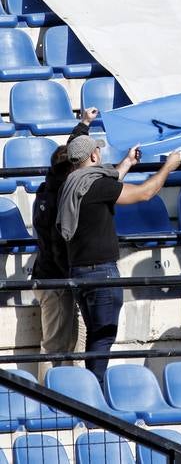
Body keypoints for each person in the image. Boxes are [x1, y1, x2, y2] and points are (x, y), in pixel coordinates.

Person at [57, 136, 181, 385]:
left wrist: (126, 163)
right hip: (101, 273)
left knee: (96, 334)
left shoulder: (72, 183)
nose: (101, 155)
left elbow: (107, 186)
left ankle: (93, 389)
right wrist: (168, 166)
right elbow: (145, 193)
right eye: (98, 152)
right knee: (102, 337)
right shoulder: (95, 185)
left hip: (80, 272)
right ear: (93, 156)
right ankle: (95, 393)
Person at [31, 106, 99, 380]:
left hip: (54, 277)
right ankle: (48, 399)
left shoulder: (49, 188)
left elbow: (72, 151)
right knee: (55, 345)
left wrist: (83, 124)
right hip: (55, 280)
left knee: (69, 345)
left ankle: (68, 395)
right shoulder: (59, 194)